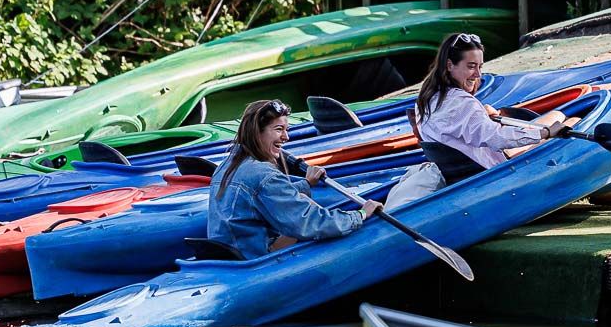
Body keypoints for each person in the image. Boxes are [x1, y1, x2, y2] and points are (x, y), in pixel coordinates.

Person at [384, 32, 565, 209]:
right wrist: (545, 133)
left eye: (480, 66)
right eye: (471, 66)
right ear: (449, 65)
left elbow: (460, 125)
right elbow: (496, 139)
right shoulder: (462, 103)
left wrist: (482, 115)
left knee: (555, 117)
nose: (478, 74)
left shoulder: (427, 98)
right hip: (491, 171)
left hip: (466, 166)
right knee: (564, 119)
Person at [207, 99, 382, 258]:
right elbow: (310, 223)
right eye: (278, 130)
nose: (286, 137)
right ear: (256, 133)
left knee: (303, 198)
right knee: (310, 211)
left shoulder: (227, 165)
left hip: (232, 252)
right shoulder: (263, 174)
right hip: (255, 257)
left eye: (286, 130)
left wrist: (306, 184)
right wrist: (360, 214)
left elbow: (265, 194)